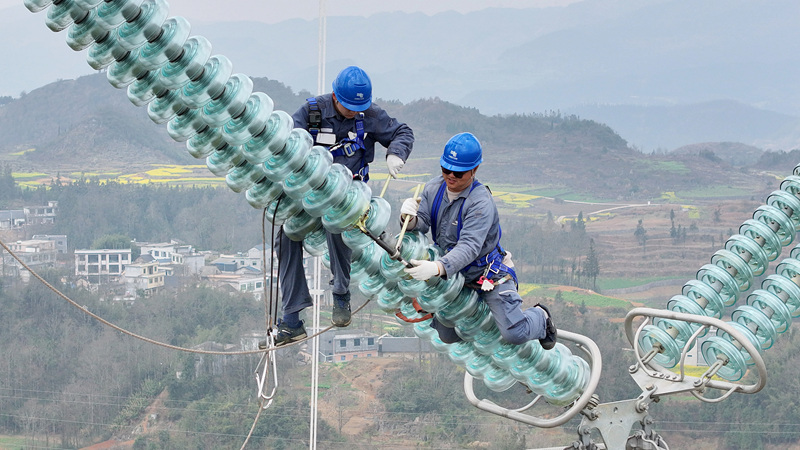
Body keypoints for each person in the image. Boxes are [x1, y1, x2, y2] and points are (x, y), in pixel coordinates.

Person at [271, 66, 415, 347]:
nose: (353, 112)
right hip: (310, 194)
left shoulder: (370, 115)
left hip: (348, 195)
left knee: (337, 223)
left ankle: (340, 294)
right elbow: (288, 142)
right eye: (348, 106)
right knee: (286, 237)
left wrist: (395, 153)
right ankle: (291, 318)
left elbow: (402, 131)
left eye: (358, 107)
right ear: (335, 96)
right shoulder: (313, 113)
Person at [399, 132, 557, 349]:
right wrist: (409, 219)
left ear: (474, 170)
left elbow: (470, 246)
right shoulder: (434, 189)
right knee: (446, 334)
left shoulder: (480, 203)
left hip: (487, 274)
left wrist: (437, 267)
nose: (451, 176)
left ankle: (540, 317)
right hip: (455, 275)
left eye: (459, 172)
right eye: (446, 170)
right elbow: (424, 222)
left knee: (514, 333)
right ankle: (484, 321)